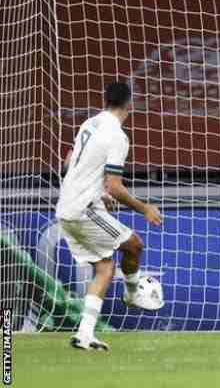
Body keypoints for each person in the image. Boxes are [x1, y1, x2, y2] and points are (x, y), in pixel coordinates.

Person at [56, 82, 163, 351]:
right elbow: (115, 186)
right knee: (135, 244)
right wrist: (145, 208)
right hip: (83, 209)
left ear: (106, 101)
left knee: (105, 267)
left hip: (66, 207)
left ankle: (84, 334)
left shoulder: (89, 124)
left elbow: (70, 164)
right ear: (130, 105)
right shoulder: (118, 136)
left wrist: (100, 194)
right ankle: (132, 293)